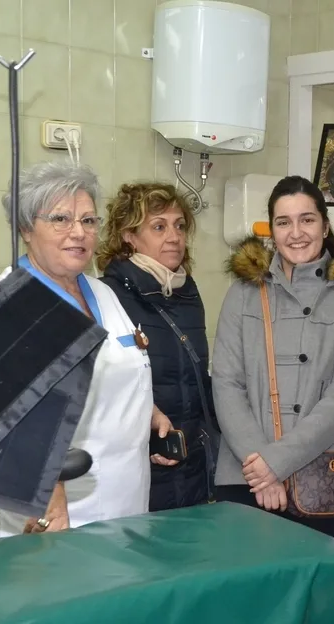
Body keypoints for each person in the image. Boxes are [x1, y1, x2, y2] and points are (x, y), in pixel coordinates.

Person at [0, 160, 167, 540]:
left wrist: (148, 409)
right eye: (61, 219)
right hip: (48, 514)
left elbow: (112, 367)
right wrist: (46, 490)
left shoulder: (102, 293)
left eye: (89, 221)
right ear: (26, 228)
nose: (79, 233)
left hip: (123, 503)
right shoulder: (11, 301)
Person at [211, 175, 334, 539]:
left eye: (307, 219)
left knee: (309, 593)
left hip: (320, 477)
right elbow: (226, 382)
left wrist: (279, 462)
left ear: (325, 225)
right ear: (271, 230)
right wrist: (262, 467)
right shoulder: (244, 292)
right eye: (283, 222)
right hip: (245, 475)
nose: (296, 232)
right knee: (248, 592)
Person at [97, 181, 217, 511]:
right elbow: (102, 388)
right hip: (141, 468)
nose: (174, 236)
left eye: (179, 226)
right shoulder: (108, 296)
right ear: (128, 235)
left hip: (193, 464)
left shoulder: (188, 294)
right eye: (159, 227)